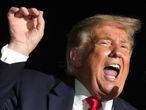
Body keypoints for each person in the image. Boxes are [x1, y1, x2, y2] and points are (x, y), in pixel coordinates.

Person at [0, 6, 141, 110]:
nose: (118, 52)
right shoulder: (29, 88)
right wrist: (18, 47)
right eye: (105, 42)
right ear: (77, 57)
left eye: (124, 47)